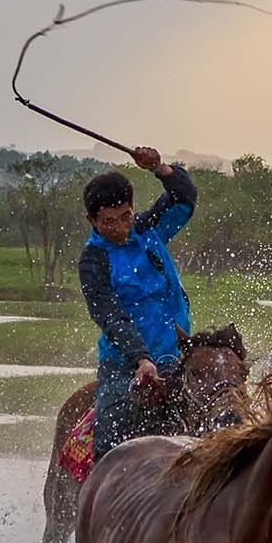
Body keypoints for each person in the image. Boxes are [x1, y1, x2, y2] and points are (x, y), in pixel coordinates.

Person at [79, 146, 198, 461]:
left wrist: (159, 168)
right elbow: (110, 317)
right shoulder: (94, 260)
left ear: (132, 209)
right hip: (124, 367)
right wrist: (141, 360)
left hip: (177, 357)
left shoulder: (149, 229)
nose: (119, 228)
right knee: (107, 446)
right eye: (109, 222)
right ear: (91, 219)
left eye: (125, 216)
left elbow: (185, 198)